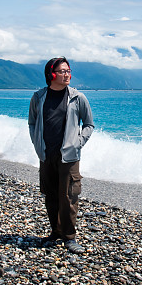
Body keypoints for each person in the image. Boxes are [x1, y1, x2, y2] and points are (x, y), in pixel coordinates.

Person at [28, 57, 94, 254]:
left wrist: (78, 142)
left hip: (69, 156)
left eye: (68, 71)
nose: (67, 75)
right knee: (51, 195)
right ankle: (55, 233)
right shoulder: (38, 97)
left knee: (69, 197)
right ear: (51, 74)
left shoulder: (77, 97)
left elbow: (89, 124)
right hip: (46, 154)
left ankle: (69, 237)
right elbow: (32, 123)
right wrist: (37, 143)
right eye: (62, 71)